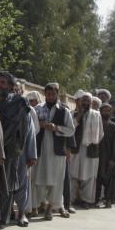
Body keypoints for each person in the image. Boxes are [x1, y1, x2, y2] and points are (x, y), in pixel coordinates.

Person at [0, 72, 36, 227]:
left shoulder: (20, 103)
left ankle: (5, 218)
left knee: (8, 185)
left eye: (3, 82)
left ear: (10, 86)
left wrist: (22, 151)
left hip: (12, 150)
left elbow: (26, 129)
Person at [32, 83, 76, 220]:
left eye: (53, 94)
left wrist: (56, 128)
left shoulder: (64, 111)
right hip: (40, 149)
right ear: (44, 94)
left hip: (57, 151)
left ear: (57, 94)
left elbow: (71, 130)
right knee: (38, 178)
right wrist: (40, 125)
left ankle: (50, 208)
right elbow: (31, 126)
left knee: (56, 180)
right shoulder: (38, 109)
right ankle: (38, 205)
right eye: (48, 94)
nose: (50, 96)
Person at [68, 90, 103, 208]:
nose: (86, 103)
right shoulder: (73, 113)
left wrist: (92, 141)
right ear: (80, 102)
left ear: (91, 102)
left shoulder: (96, 114)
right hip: (76, 148)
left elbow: (100, 133)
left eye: (88, 101)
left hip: (90, 149)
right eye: (84, 100)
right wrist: (80, 114)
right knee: (73, 174)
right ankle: (70, 199)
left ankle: (86, 200)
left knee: (89, 176)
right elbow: (71, 127)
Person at [95, 103, 115, 208]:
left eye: (108, 111)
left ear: (110, 112)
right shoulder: (97, 124)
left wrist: (113, 159)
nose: (106, 113)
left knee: (110, 180)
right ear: (100, 112)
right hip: (97, 156)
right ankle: (95, 200)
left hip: (109, 157)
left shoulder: (113, 126)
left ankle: (108, 200)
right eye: (104, 110)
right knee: (97, 180)